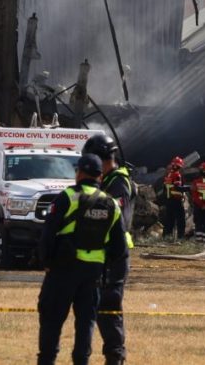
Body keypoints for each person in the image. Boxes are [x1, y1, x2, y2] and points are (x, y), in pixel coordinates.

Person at [37, 154, 128, 365]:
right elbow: (119, 248)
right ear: (99, 175)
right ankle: (82, 361)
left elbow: (48, 234)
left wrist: (47, 263)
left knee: (51, 320)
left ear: (79, 173)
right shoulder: (111, 204)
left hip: (63, 271)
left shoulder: (67, 197)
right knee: (86, 322)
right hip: (93, 274)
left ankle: (47, 360)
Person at [82, 134, 134, 365]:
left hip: (115, 254)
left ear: (104, 159)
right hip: (102, 252)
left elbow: (114, 215)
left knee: (110, 305)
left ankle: (115, 356)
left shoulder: (119, 182)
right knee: (99, 305)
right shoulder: (108, 180)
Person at [157, 156, 187, 240]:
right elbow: (178, 188)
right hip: (176, 200)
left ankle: (166, 237)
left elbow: (165, 190)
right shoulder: (177, 175)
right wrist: (189, 188)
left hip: (169, 200)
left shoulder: (168, 176)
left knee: (169, 220)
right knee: (180, 220)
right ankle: (180, 237)